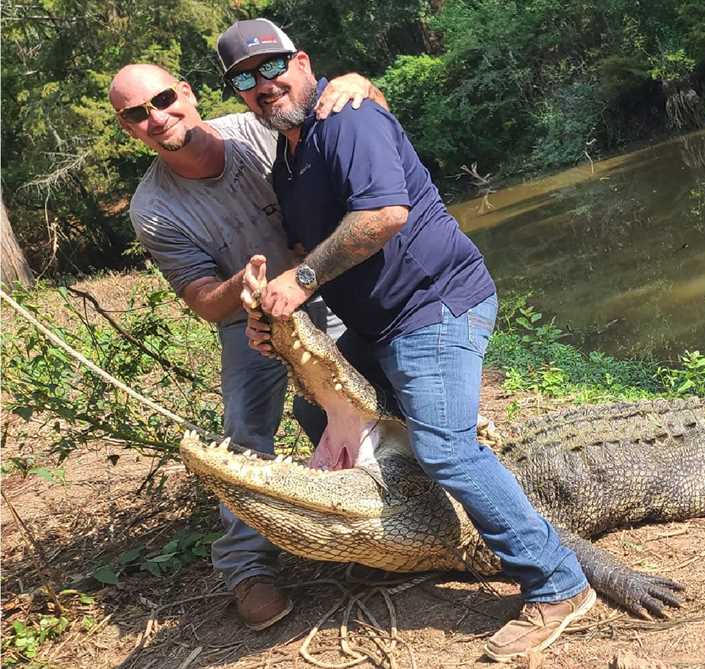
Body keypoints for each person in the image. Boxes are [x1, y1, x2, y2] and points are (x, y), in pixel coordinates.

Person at [218, 18, 596, 661]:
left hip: (435, 306)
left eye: (271, 66)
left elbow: (385, 214)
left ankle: (557, 583)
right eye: (244, 78)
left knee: (447, 448)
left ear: (301, 61)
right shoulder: (289, 151)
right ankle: (407, 522)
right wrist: (274, 314)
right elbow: (310, 246)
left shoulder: (348, 119)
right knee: (317, 406)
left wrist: (302, 280)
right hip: (379, 323)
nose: (263, 84)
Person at [108, 61, 384, 631]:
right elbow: (204, 301)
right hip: (246, 319)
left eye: (162, 99)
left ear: (185, 92)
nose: (156, 117)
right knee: (244, 434)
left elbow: (340, 123)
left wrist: (358, 85)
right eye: (137, 113)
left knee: (346, 407)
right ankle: (246, 568)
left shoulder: (255, 129)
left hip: (321, 291)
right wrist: (242, 285)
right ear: (128, 128)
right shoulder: (152, 209)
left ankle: (371, 519)